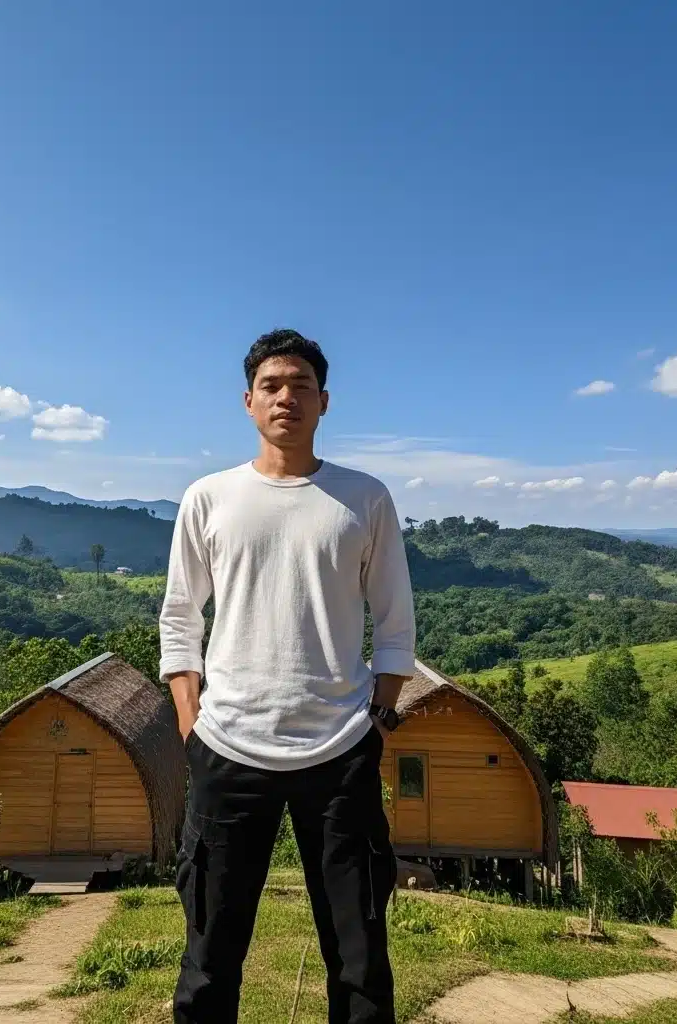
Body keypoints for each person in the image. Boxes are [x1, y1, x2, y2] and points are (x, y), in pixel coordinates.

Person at [159, 328, 416, 1024]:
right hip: (227, 748)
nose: (286, 398)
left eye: (301, 386)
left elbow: (395, 623)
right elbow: (180, 618)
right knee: (209, 956)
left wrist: (377, 720)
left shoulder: (364, 498)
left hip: (339, 751)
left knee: (360, 958)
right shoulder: (210, 497)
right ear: (247, 401)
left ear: (324, 401)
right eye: (271, 386)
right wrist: (190, 725)